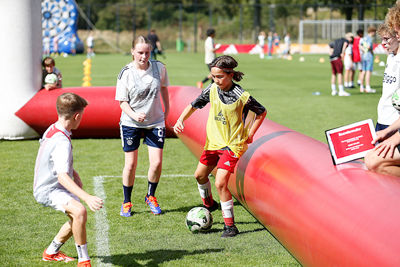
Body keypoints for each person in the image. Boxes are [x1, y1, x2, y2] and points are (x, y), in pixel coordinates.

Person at [173, 55, 267, 238]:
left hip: (233, 145)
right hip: (213, 143)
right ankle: (210, 205)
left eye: (219, 77)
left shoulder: (242, 96)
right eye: (213, 76)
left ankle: (230, 227)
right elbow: (194, 105)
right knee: (199, 176)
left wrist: (251, 133)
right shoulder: (212, 89)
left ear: (230, 75)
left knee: (220, 182)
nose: (216, 80)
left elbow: (261, 112)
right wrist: (180, 120)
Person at [34, 92, 103, 267]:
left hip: (51, 184)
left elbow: (53, 160)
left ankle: (51, 252)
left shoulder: (54, 127)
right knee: (80, 211)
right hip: (48, 189)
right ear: (76, 116)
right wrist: (87, 197)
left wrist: (74, 172)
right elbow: (62, 177)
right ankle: (84, 261)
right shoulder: (62, 141)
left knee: (76, 217)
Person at [115, 35, 170, 217]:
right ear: (132, 52)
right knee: (131, 165)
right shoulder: (126, 73)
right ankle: (126, 201)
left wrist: (167, 110)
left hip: (155, 122)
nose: (143, 56)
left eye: (147, 52)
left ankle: (150, 196)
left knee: (156, 163)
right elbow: (122, 102)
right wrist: (134, 115)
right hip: (131, 122)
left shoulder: (159, 68)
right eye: (140, 52)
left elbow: (163, 88)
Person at [364, 4, 400, 176]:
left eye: (389, 38)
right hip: (386, 120)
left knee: (374, 160)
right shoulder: (392, 57)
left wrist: (395, 136)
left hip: (394, 121)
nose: (384, 43)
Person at [359, 26, 377, 93]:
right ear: (372, 32)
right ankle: (367, 87)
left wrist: (364, 50)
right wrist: (371, 52)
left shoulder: (364, 38)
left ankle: (361, 87)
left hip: (363, 56)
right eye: (374, 32)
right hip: (369, 56)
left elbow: (360, 46)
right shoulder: (369, 38)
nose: (375, 33)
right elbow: (369, 47)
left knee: (363, 71)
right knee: (368, 72)